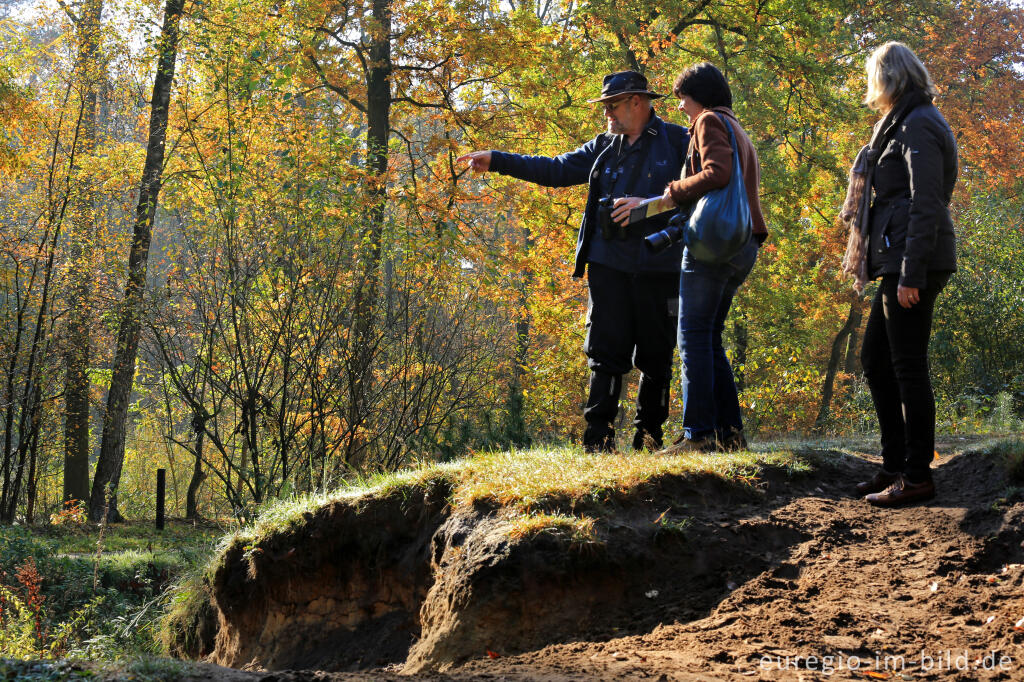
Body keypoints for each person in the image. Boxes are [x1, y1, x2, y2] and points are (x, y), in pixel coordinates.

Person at [457, 71, 689, 452]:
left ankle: (650, 441)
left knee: (656, 355)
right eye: (604, 108)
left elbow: (701, 190)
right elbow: (555, 169)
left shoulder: (679, 141)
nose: (607, 115)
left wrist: (649, 206)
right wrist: (497, 159)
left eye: (612, 106)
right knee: (605, 352)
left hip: (660, 266)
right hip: (607, 264)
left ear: (636, 101)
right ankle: (598, 441)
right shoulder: (604, 145)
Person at [848, 42, 957, 507]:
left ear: (889, 78)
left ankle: (916, 477)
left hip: (914, 262)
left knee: (907, 367)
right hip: (898, 260)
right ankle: (895, 465)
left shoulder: (918, 125)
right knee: (876, 360)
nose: (870, 88)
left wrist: (910, 272)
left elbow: (926, 202)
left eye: (873, 78)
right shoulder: (900, 124)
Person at [656, 62, 768, 453]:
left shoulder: (707, 122)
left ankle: (698, 434)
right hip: (745, 243)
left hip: (714, 242)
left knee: (691, 337)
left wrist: (676, 189)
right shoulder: (739, 129)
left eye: (683, 99)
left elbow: (717, 173)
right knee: (709, 337)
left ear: (697, 96)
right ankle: (729, 434)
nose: (682, 109)